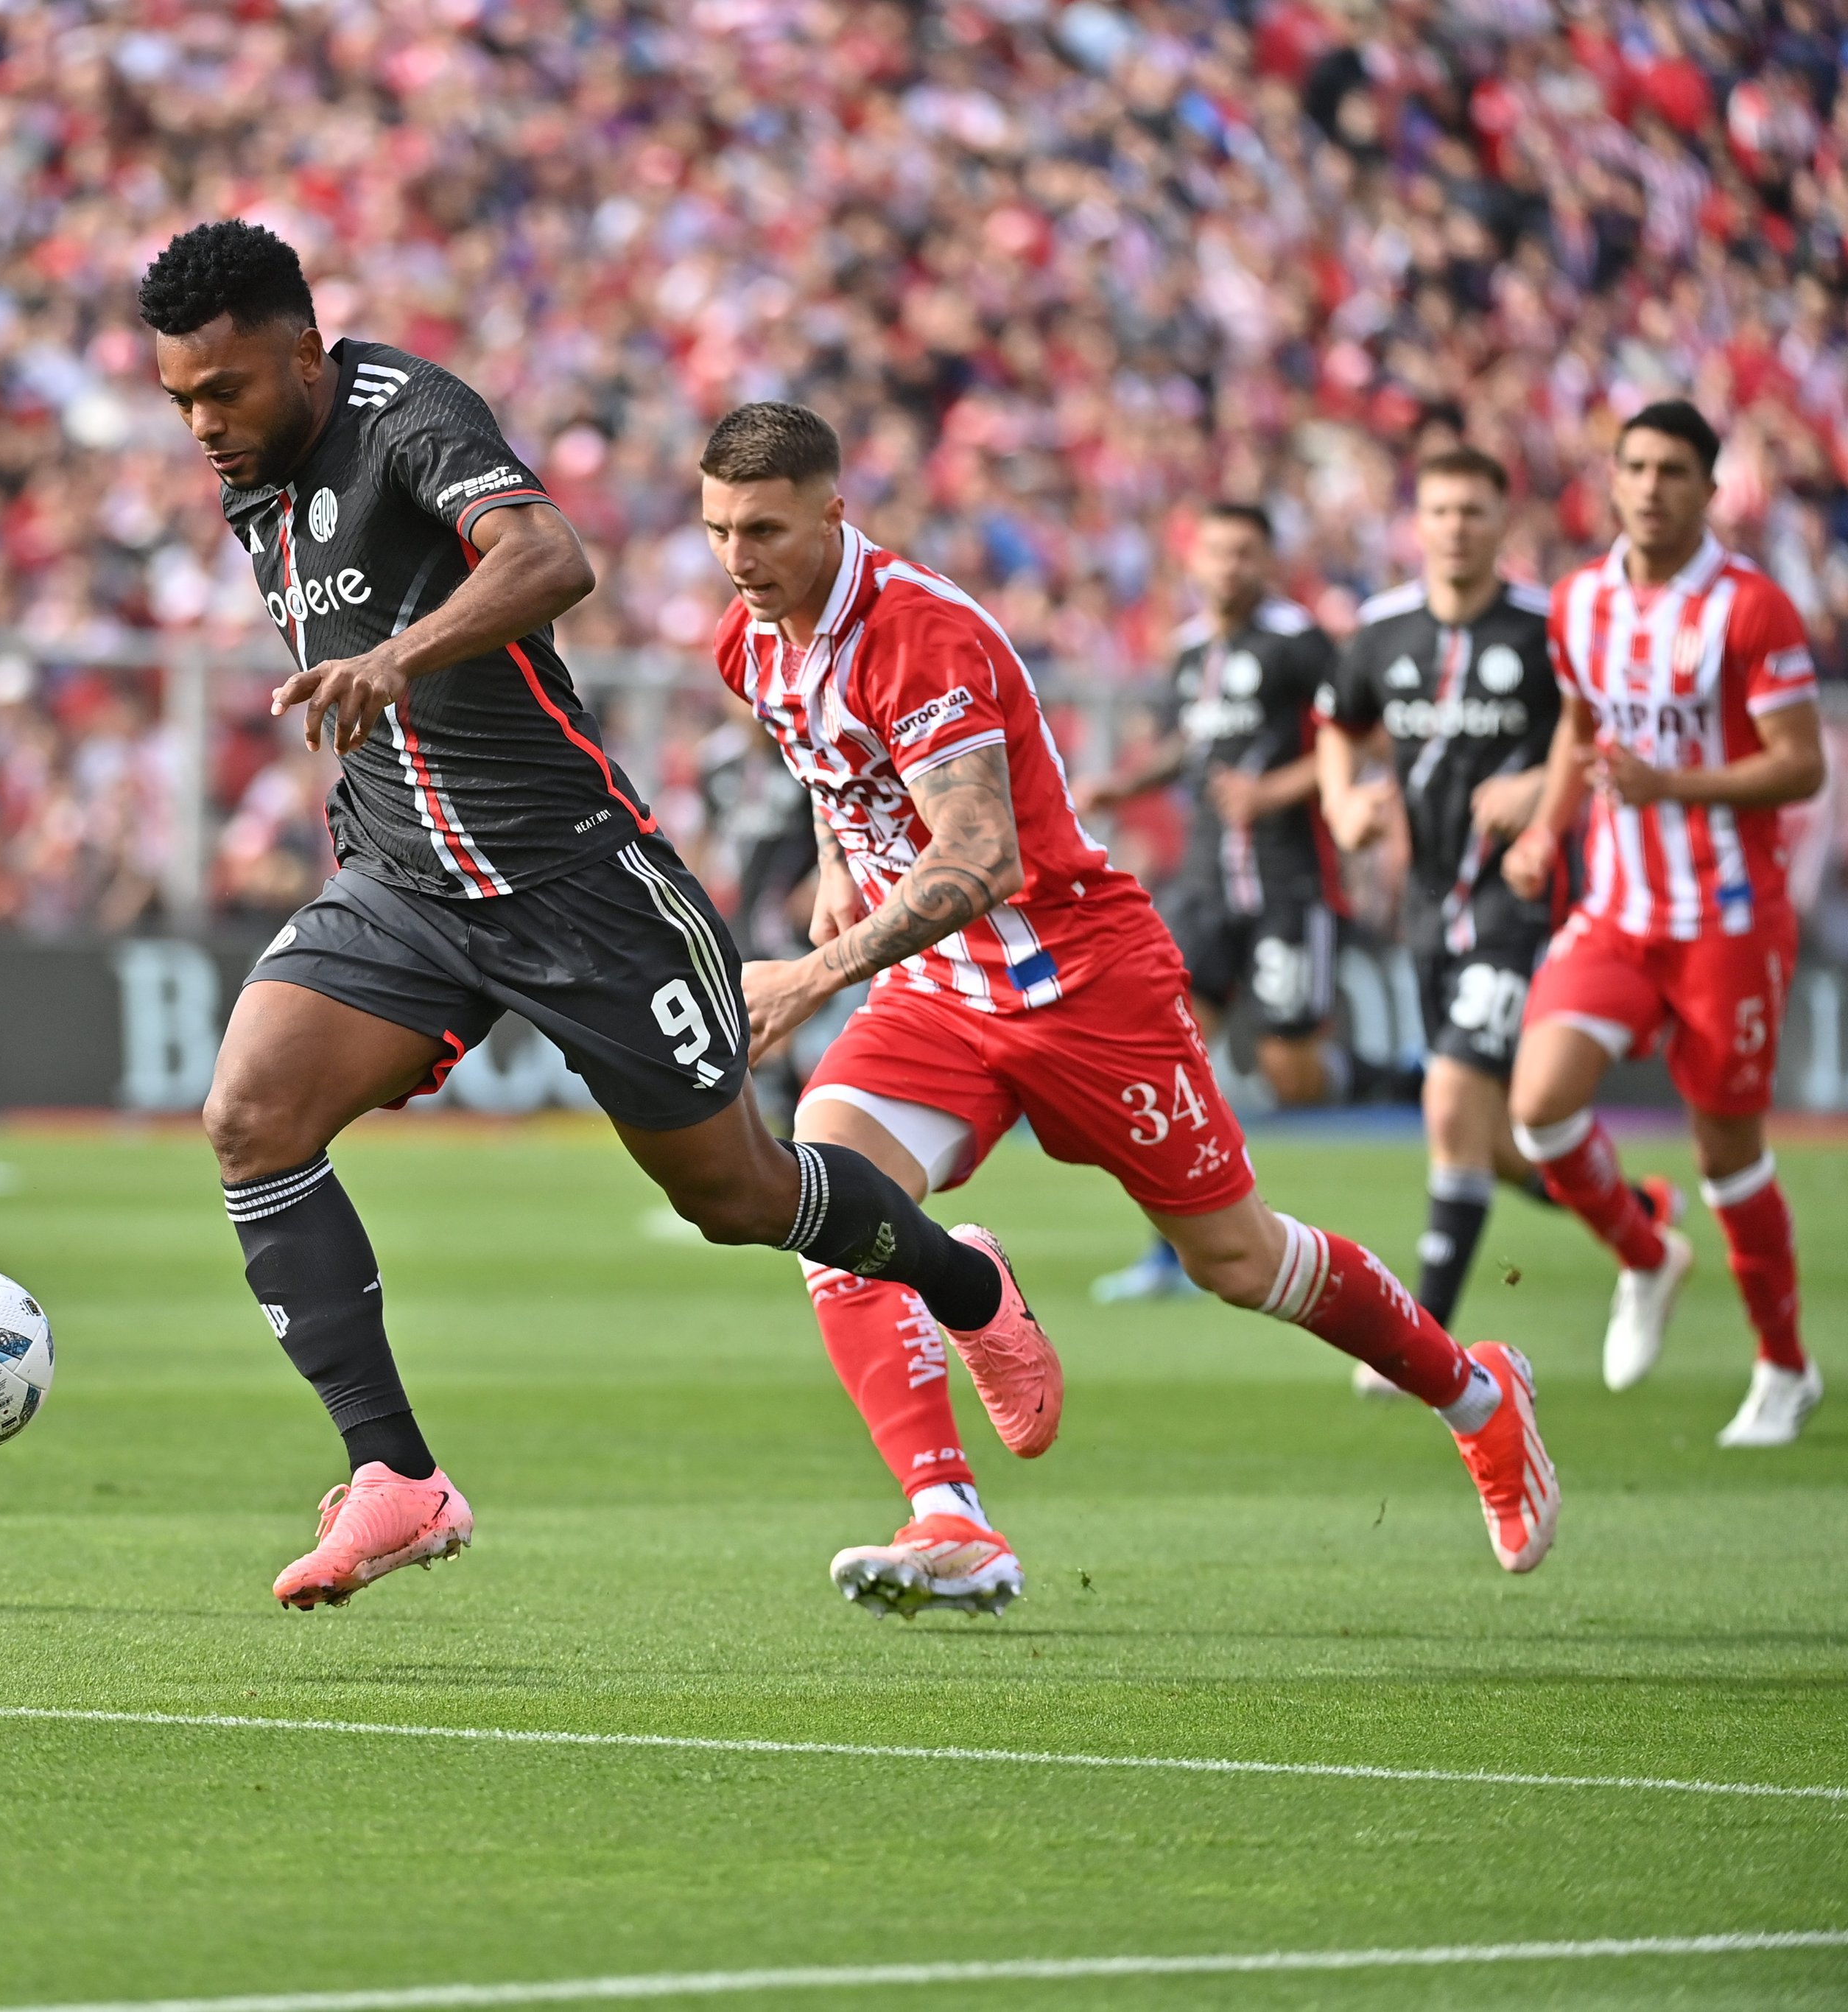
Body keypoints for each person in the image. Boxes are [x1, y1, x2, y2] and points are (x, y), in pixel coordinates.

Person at [141, 220, 1051, 1613]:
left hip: (580, 885)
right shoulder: (252, 475)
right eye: (181, 401)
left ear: (306, 356)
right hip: (402, 884)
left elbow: (551, 559)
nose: (204, 424)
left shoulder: (408, 416)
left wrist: (397, 656)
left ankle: (961, 1282)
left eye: (225, 392)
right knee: (249, 1117)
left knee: (737, 1197)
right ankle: (395, 1476)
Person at [703, 401, 1559, 1611]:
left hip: (1081, 981)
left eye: (764, 529)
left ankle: (1476, 1395)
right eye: (718, 528)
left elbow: (982, 859)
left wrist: (806, 977)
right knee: (821, 1196)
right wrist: (843, 860)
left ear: (834, 512)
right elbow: (838, 773)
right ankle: (953, 1512)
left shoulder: (921, 635)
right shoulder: (748, 641)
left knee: (1236, 1257)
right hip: (943, 993)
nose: (737, 556)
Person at [1503, 400, 1828, 1447]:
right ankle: (1646, 1255)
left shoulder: (1750, 608)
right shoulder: (1579, 600)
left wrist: (1671, 780)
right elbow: (1578, 729)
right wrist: (1548, 829)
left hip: (1728, 918)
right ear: (1614, 477)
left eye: (1674, 471)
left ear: (1708, 487)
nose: (1650, 487)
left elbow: (1802, 763)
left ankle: (1784, 1367)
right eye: (1635, 467)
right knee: (1540, 1109)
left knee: (1727, 1150)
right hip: (1616, 907)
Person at [1315, 447, 1565, 1390]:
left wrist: (1540, 784)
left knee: (1451, 1098)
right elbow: (1339, 725)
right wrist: (1344, 804)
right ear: (1416, 524)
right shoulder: (1380, 631)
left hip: (1520, 900)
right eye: (1440, 510)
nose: (1456, 525)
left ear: (1502, 520)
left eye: (1473, 509)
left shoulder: (1545, 630)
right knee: (1489, 1141)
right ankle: (1636, 1218)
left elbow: (1593, 735)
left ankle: (1420, 1339)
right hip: (1428, 906)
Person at [1080, 504, 1342, 1304]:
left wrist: (1272, 790)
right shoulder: (1190, 649)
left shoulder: (1301, 644)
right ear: (1194, 562)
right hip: (1202, 884)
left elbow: (1354, 742)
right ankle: (1170, 1253)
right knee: (1172, 1062)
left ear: (1268, 563)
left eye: (1245, 553)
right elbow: (1187, 743)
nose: (1229, 567)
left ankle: (1381, 1078)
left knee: (1287, 1070)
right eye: (1216, 552)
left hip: (1285, 879)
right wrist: (1123, 783)